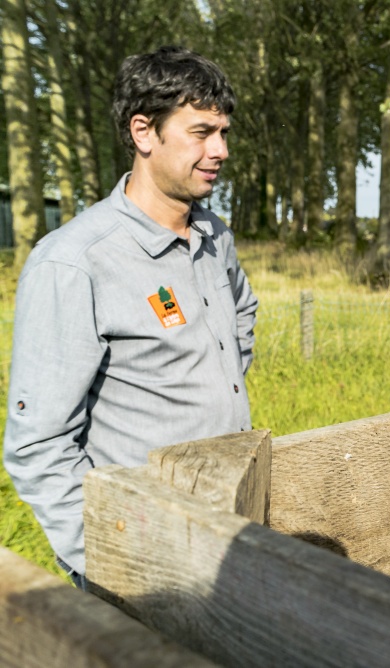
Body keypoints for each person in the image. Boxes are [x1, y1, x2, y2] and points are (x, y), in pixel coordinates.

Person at [3, 46, 257, 588]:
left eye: (224, 132)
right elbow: (37, 448)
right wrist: (115, 561)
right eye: (201, 132)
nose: (221, 150)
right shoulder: (74, 262)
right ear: (144, 132)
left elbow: (242, 311)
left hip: (230, 537)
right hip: (144, 562)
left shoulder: (215, 237)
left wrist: (212, 382)